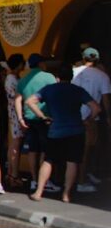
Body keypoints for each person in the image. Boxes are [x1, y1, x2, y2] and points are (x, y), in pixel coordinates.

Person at [26, 63, 100, 203]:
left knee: (49, 160)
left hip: (56, 130)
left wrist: (42, 116)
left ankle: (39, 192)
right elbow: (96, 108)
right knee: (72, 162)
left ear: (57, 77)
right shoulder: (78, 90)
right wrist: (87, 120)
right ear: (71, 77)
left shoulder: (49, 89)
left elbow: (30, 101)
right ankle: (66, 194)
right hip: (76, 130)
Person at [16, 54, 58, 194]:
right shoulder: (49, 77)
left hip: (28, 118)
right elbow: (55, 95)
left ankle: (34, 180)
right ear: (41, 64)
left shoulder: (23, 80)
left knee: (33, 149)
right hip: (44, 117)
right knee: (45, 150)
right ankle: (44, 181)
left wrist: (20, 118)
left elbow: (18, 100)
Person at [71, 47, 111, 192]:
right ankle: (81, 182)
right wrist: (109, 117)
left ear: (83, 58)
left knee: (77, 149)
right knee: (86, 150)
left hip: (72, 116)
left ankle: (84, 175)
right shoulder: (102, 76)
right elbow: (106, 100)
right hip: (90, 118)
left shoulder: (74, 72)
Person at [2, 54, 27, 188]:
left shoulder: (11, 78)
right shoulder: (12, 79)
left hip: (13, 113)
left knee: (14, 144)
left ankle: (11, 173)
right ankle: (14, 175)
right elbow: (15, 96)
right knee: (16, 145)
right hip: (16, 113)